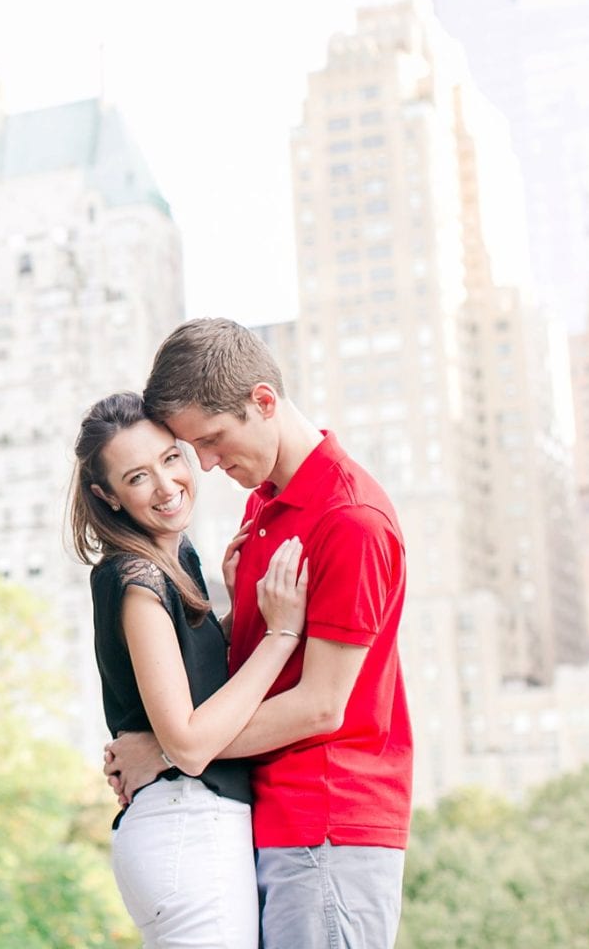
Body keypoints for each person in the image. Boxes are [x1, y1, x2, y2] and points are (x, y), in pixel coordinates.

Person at [105, 318, 413, 949]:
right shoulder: (264, 504)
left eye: (214, 442)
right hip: (267, 817)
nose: (210, 466)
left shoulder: (351, 519)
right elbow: (253, 668)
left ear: (263, 402)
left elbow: (321, 704)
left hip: (328, 827)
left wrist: (167, 752)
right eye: (197, 449)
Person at [72, 391, 308, 948]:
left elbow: (185, 685)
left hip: (186, 826)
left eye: (170, 458)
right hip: (185, 826)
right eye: (137, 477)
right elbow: (190, 743)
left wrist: (219, 617)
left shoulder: (175, 561)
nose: (166, 485)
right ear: (107, 495)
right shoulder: (138, 579)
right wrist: (281, 634)